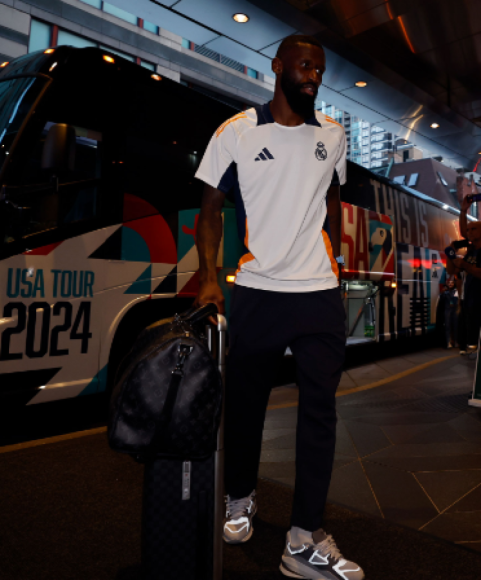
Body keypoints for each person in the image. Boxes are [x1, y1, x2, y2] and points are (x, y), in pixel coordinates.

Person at [194, 34, 364, 580]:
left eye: (320, 68)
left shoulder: (334, 136)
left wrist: (334, 262)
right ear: (278, 66)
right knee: (245, 410)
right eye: (306, 65)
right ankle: (239, 497)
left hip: (316, 294)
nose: (314, 75)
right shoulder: (238, 132)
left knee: (321, 414)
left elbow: (334, 199)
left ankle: (302, 539)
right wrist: (209, 276)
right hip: (256, 291)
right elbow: (211, 208)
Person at [453, 197, 481, 352]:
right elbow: (463, 231)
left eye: (473, 229)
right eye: (468, 230)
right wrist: (463, 211)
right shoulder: (471, 250)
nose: (468, 232)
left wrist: (464, 265)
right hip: (470, 300)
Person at [442, 279, 458, 348]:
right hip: (448, 310)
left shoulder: (456, 291)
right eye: (449, 283)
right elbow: (442, 300)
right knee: (447, 326)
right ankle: (448, 342)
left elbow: (456, 300)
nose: (450, 284)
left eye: (452, 283)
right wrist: (443, 292)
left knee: (455, 326)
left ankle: (456, 341)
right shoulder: (445, 293)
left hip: (454, 310)